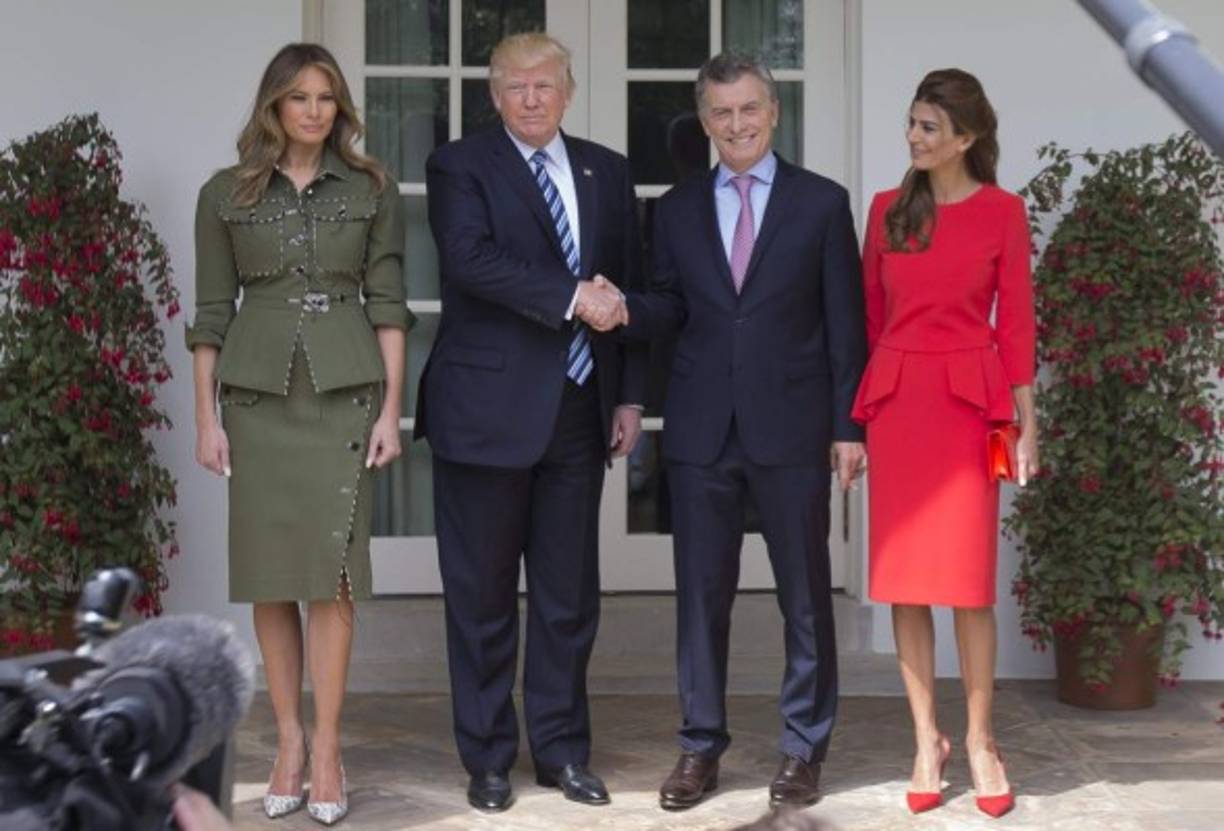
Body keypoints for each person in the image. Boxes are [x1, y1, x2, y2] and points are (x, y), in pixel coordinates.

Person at [619, 52, 866, 810]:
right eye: (721, 113)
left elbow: (844, 327)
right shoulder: (675, 208)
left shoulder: (822, 203)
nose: (737, 125)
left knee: (803, 595)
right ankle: (699, 747)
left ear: (773, 112)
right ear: (705, 121)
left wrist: (847, 426)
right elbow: (665, 308)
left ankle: (802, 748)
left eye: (749, 109)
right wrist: (621, 304)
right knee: (701, 596)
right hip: (700, 430)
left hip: (792, 426)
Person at [415, 32, 644, 812]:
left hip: (579, 411)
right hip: (484, 415)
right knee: (479, 597)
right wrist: (573, 295)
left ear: (568, 91)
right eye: (515, 86)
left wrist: (628, 394)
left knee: (567, 596)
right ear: (494, 96)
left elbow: (630, 289)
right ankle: (486, 756)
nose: (531, 98)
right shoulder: (460, 166)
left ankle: (561, 749)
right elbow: (471, 261)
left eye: (545, 85)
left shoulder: (607, 171)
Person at [187, 43, 411, 826]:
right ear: (274, 107)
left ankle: (326, 746)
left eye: (325, 98)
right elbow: (210, 314)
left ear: (339, 108)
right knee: (274, 573)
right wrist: (206, 418)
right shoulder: (225, 195)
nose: (313, 112)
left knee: (334, 576)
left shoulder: (375, 189)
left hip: (346, 396)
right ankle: (284, 740)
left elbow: (389, 303)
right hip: (257, 400)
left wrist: (391, 409)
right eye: (298, 99)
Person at [850, 68, 1037, 819]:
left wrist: (1027, 422)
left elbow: (1017, 322)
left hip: (970, 411)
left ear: (968, 138)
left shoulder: (1002, 212)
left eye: (930, 127)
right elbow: (868, 316)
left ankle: (982, 738)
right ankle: (927, 739)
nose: (915, 137)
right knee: (904, 580)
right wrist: (856, 421)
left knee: (966, 584)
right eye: (912, 123)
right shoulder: (888, 210)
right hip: (899, 405)